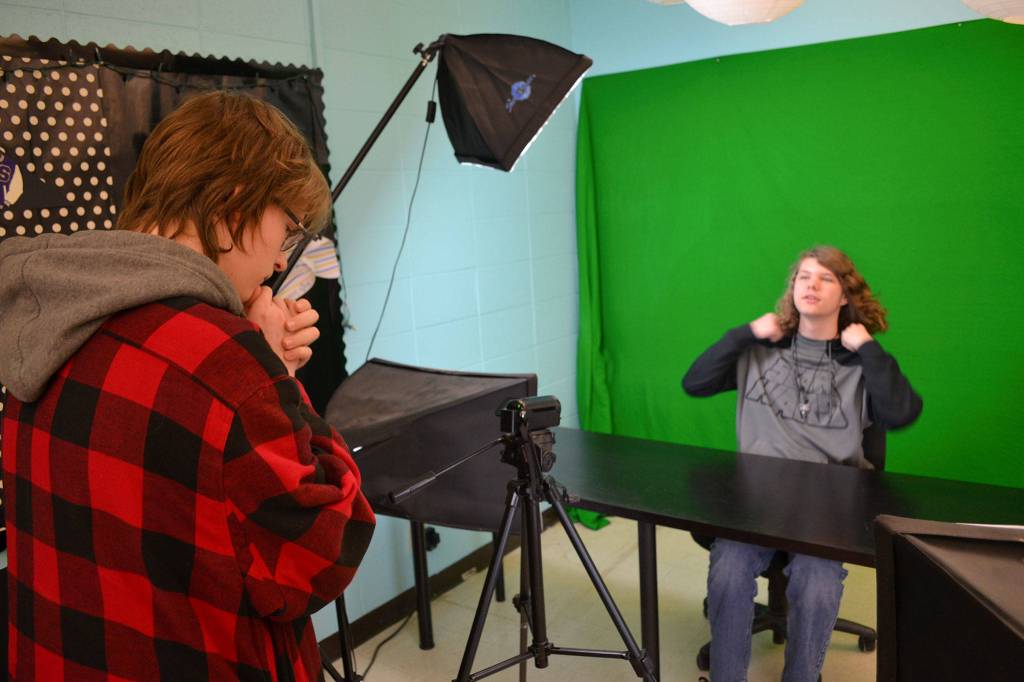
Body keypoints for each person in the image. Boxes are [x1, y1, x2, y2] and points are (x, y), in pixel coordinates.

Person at [0, 91, 375, 680]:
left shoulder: (43, 324)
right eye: (286, 229)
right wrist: (271, 371)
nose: (281, 262)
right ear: (234, 203)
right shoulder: (228, 364)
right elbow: (321, 555)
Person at [682, 246, 922, 682]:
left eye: (826, 278)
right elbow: (695, 383)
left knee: (817, 585)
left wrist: (869, 348)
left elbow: (901, 412)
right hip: (756, 504)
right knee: (729, 571)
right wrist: (745, 333)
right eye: (803, 277)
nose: (811, 285)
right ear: (792, 289)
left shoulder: (860, 362)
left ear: (845, 296)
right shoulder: (759, 350)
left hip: (827, 511)